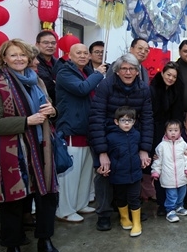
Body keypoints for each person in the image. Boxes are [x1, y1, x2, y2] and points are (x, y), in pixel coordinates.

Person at [0, 39, 60, 252]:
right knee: (14, 201)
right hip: (13, 151)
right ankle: (13, 246)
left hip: (42, 147)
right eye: (13, 55)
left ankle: (44, 239)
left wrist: (52, 111)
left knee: (46, 196)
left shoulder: (38, 82)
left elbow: (49, 109)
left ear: (28, 57)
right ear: (4, 59)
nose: (19, 59)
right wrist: (26, 121)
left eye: (22, 55)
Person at [88, 53, 153, 231]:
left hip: (132, 138)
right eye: (124, 69)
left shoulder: (143, 89)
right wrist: (102, 152)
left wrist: (144, 149)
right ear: (117, 71)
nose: (128, 72)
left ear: (137, 71)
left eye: (132, 69)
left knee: (132, 173)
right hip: (107, 137)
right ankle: (104, 214)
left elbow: (147, 119)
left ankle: (131, 210)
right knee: (104, 174)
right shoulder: (106, 86)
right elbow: (97, 117)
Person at [54, 43, 106, 222]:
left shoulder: (87, 72)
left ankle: (80, 203)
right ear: (69, 55)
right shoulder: (64, 72)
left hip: (87, 129)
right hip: (72, 129)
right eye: (79, 53)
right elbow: (82, 89)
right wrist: (98, 74)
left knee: (85, 172)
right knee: (71, 173)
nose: (83, 56)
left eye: (85, 53)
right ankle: (65, 210)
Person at [149, 61, 184, 216]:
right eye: (168, 74)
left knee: (171, 166)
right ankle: (162, 203)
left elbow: (177, 113)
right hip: (155, 132)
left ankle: (174, 202)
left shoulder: (177, 89)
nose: (171, 78)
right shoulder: (153, 89)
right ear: (162, 73)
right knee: (159, 166)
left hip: (172, 132)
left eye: (174, 76)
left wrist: (175, 133)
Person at [104, 107, 144, 236]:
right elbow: (106, 154)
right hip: (118, 175)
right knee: (120, 198)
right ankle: (124, 218)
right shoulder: (110, 137)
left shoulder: (137, 135)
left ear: (134, 122)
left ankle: (137, 223)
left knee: (134, 198)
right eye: (123, 120)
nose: (126, 123)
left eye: (129, 120)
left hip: (135, 174)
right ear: (116, 122)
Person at [151, 120, 187, 222]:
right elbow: (158, 161)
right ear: (165, 132)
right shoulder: (161, 146)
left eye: (176, 130)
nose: (173, 133)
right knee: (172, 195)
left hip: (182, 176)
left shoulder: (183, 145)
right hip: (168, 177)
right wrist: (155, 172)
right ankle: (170, 210)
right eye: (170, 130)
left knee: (182, 193)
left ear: (180, 132)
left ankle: (179, 206)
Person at [35, 30, 58, 103]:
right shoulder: (34, 62)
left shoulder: (58, 63)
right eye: (46, 43)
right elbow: (48, 85)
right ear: (37, 44)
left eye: (53, 43)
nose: (50, 46)